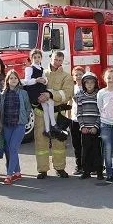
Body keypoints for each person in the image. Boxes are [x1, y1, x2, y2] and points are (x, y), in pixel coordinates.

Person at [35, 51, 74, 179]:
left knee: (59, 143)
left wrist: (50, 94)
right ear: (50, 58)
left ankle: (60, 168)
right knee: (41, 142)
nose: (57, 62)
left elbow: (67, 93)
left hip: (58, 114)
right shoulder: (42, 73)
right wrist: (37, 99)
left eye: (60, 60)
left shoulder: (66, 76)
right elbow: (32, 88)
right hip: (40, 113)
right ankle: (43, 169)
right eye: (55, 59)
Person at [0, 70, 31, 185]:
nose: (13, 80)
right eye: (11, 78)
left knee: (13, 148)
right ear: (7, 80)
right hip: (7, 125)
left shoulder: (23, 93)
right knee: (9, 149)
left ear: (18, 80)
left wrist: (24, 119)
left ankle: (9, 175)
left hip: (19, 124)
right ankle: (17, 173)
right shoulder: (3, 94)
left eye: (15, 78)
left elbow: (28, 108)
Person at [23, 49, 60, 138]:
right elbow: (26, 81)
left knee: (46, 110)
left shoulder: (42, 69)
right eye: (35, 57)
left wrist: (44, 80)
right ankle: (53, 124)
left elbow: (45, 80)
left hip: (41, 90)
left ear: (41, 58)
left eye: (39, 57)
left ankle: (47, 130)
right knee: (50, 102)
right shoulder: (29, 68)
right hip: (34, 92)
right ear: (31, 58)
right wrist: (36, 80)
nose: (37, 59)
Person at [76, 72, 104, 180]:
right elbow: (79, 113)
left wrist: (96, 127)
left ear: (95, 83)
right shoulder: (81, 96)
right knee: (85, 151)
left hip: (95, 129)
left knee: (97, 151)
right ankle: (86, 171)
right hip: (85, 129)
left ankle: (99, 172)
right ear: (84, 84)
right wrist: (82, 126)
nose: (89, 85)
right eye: (87, 83)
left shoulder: (99, 95)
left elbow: (100, 112)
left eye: (92, 82)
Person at [70, 66, 85, 176]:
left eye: (80, 74)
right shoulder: (72, 88)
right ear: (73, 77)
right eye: (76, 75)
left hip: (85, 119)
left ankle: (87, 165)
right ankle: (78, 165)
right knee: (76, 144)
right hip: (74, 119)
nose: (78, 77)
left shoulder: (87, 88)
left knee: (86, 143)